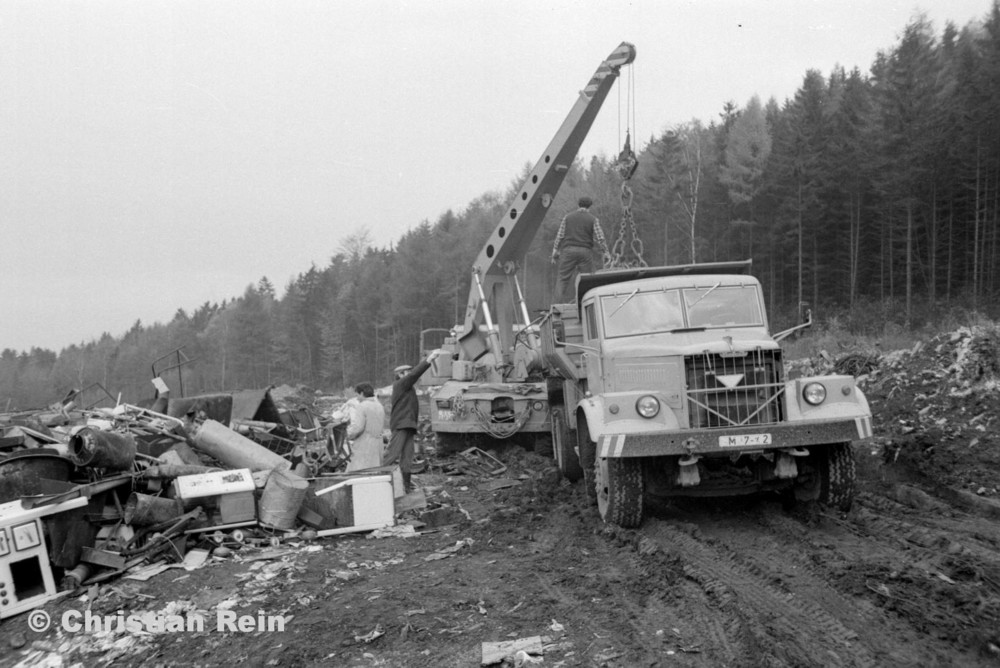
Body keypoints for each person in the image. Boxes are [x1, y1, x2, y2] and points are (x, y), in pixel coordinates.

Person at [384, 350, 439, 492]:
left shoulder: (408, 388)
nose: (410, 374)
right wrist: (429, 360)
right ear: (400, 375)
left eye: (409, 371)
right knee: (392, 455)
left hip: (408, 425)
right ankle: (379, 484)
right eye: (407, 372)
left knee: (407, 459)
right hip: (401, 425)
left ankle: (406, 488)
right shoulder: (400, 384)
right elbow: (415, 375)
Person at [551, 196, 610, 302]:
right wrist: (605, 252)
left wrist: (555, 250)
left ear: (578, 205)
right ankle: (584, 304)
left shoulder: (567, 217)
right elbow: (600, 237)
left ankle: (557, 307)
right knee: (586, 279)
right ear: (589, 207)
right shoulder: (593, 219)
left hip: (568, 250)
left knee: (562, 279)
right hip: (585, 252)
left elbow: (560, 235)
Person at [345, 382, 385, 472]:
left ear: (362, 393)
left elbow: (358, 427)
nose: (357, 399)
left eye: (357, 395)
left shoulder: (362, 406)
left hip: (365, 444)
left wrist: (349, 435)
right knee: (376, 470)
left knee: (360, 471)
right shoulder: (379, 406)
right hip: (378, 443)